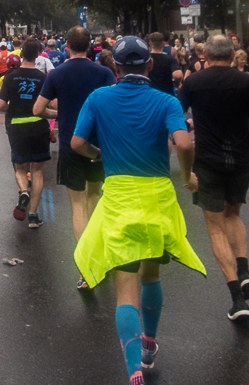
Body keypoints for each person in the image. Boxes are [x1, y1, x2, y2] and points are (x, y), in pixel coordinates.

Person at [71, 35, 205, 384]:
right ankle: (149, 345)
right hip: (157, 198)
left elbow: (76, 143)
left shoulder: (99, 98)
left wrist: (97, 156)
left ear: (114, 67)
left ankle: (134, 371)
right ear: (149, 65)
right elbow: (185, 142)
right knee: (151, 276)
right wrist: (188, 176)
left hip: (119, 198)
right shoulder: (166, 101)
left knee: (124, 289)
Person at [177, 35, 249, 321]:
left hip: (207, 159)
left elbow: (174, 109)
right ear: (232, 55)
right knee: (234, 215)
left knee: (216, 228)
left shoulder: (194, 82)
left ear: (205, 55)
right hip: (240, 157)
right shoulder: (246, 81)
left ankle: (237, 299)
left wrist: (185, 126)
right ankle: (244, 270)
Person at [33, 26, 115, 285]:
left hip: (70, 144)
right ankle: (100, 253)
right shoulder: (104, 72)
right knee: (94, 198)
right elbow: (113, 106)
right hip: (97, 147)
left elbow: (38, 109)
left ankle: (85, 263)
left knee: (77, 206)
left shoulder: (57, 73)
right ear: (90, 45)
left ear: (67, 44)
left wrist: (58, 115)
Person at [0, 39, 53, 228]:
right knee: (37, 171)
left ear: (21, 55)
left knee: (21, 168)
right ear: (37, 55)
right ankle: (34, 216)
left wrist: (15, 106)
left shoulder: (11, 77)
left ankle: (23, 191)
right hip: (38, 127)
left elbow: (0, 105)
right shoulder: (43, 78)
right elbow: (51, 105)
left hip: (17, 127)